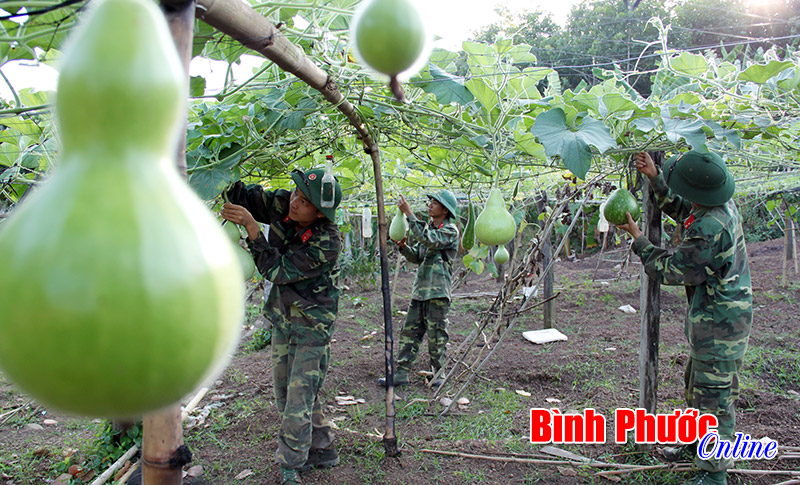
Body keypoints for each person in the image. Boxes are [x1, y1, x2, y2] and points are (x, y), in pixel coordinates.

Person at [617, 151, 752, 485]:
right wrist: (655, 178)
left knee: (715, 399)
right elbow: (683, 208)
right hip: (715, 318)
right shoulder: (717, 206)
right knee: (697, 387)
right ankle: (697, 445)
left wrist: (639, 239)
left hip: (721, 324)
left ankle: (714, 475)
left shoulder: (710, 228)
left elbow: (674, 270)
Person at [221, 168, 343, 485]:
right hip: (283, 316)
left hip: (313, 325)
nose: (295, 202)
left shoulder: (328, 242)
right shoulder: (284, 204)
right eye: (296, 193)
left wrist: (251, 227)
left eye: (305, 201)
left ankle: (291, 463)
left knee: (298, 396)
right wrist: (223, 183)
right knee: (288, 392)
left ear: (320, 214)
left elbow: (276, 270)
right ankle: (323, 447)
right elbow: (245, 194)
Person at [378, 190, 459, 388]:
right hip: (421, 291)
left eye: (434, 203)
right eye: (430, 202)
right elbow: (418, 256)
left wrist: (409, 214)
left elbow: (430, 240)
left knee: (436, 334)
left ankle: (439, 374)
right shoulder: (429, 229)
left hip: (438, 292)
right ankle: (401, 373)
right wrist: (405, 248)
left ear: (445, 210)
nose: (430, 205)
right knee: (410, 333)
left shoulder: (450, 231)